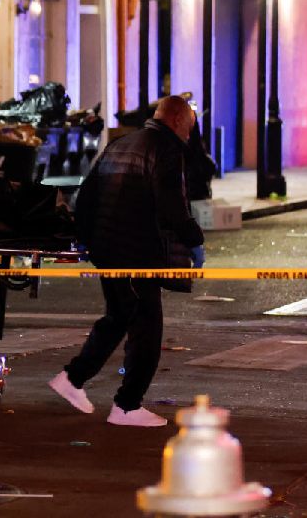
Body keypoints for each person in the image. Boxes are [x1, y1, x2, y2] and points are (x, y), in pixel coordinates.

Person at [49, 95, 204, 427]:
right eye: (189, 129)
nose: (189, 137)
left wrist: (90, 240)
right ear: (177, 121)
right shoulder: (166, 148)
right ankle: (127, 405)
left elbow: (87, 194)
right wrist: (194, 241)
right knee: (147, 327)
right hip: (135, 250)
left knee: (119, 316)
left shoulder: (123, 143)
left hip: (109, 247)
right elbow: (171, 204)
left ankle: (73, 378)